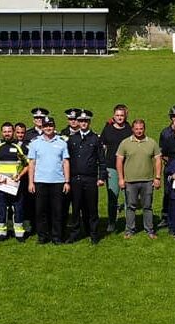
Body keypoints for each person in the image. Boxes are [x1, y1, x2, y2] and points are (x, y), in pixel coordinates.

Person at [27, 117, 70, 244]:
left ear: (54, 126)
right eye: (45, 126)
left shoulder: (62, 142)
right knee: (41, 211)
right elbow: (32, 163)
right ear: (42, 127)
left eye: (50, 125)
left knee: (57, 211)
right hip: (40, 181)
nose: (48, 128)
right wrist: (31, 182)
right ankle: (42, 236)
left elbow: (65, 162)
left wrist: (67, 181)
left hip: (57, 181)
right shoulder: (35, 143)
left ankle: (56, 236)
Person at [116, 119, 161, 239]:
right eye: (136, 129)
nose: (139, 131)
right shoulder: (125, 143)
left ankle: (149, 230)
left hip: (147, 180)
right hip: (130, 181)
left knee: (147, 206)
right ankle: (130, 230)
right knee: (131, 206)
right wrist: (121, 178)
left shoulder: (151, 142)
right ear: (132, 129)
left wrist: (157, 177)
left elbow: (158, 160)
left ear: (144, 129)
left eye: (141, 129)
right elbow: (119, 161)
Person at [67, 110, 106, 244]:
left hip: (90, 179)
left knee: (91, 208)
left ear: (89, 122)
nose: (83, 123)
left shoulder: (95, 138)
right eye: (81, 121)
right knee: (76, 207)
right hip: (75, 178)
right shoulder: (72, 139)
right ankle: (75, 233)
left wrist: (101, 177)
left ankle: (93, 234)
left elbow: (102, 160)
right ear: (77, 122)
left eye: (86, 121)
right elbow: (67, 160)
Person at [100, 104, 133, 233]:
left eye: (122, 115)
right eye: (117, 115)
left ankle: (128, 224)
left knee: (128, 197)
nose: (119, 118)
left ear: (125, 116)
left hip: (127, 167)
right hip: (111, 167)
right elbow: (102, 147)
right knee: (113, 196)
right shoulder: (107, 129)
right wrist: (103, 168)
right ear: (114, 116)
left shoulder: (129, 129)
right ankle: (112, 222)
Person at [0, 122, 27, 242]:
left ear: (13, 132)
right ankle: (1, 233)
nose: (7, 134)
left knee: (18, 208)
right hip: (1, 185)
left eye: (9, 131)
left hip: (15, 185)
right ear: (2, 133)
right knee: (1, 209)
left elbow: (27, 165)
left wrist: (20, 175)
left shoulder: (19, 147)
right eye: (5, 131)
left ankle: (19, 233)